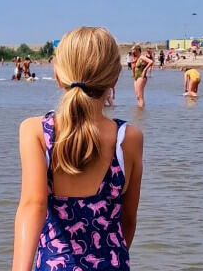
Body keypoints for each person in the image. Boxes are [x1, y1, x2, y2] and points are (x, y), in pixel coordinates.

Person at [11, 27, 143, 271]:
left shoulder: (36, 131)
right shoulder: (129, 138)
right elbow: (128, 221)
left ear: (58, 77)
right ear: (114, 78)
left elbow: (33, 206)